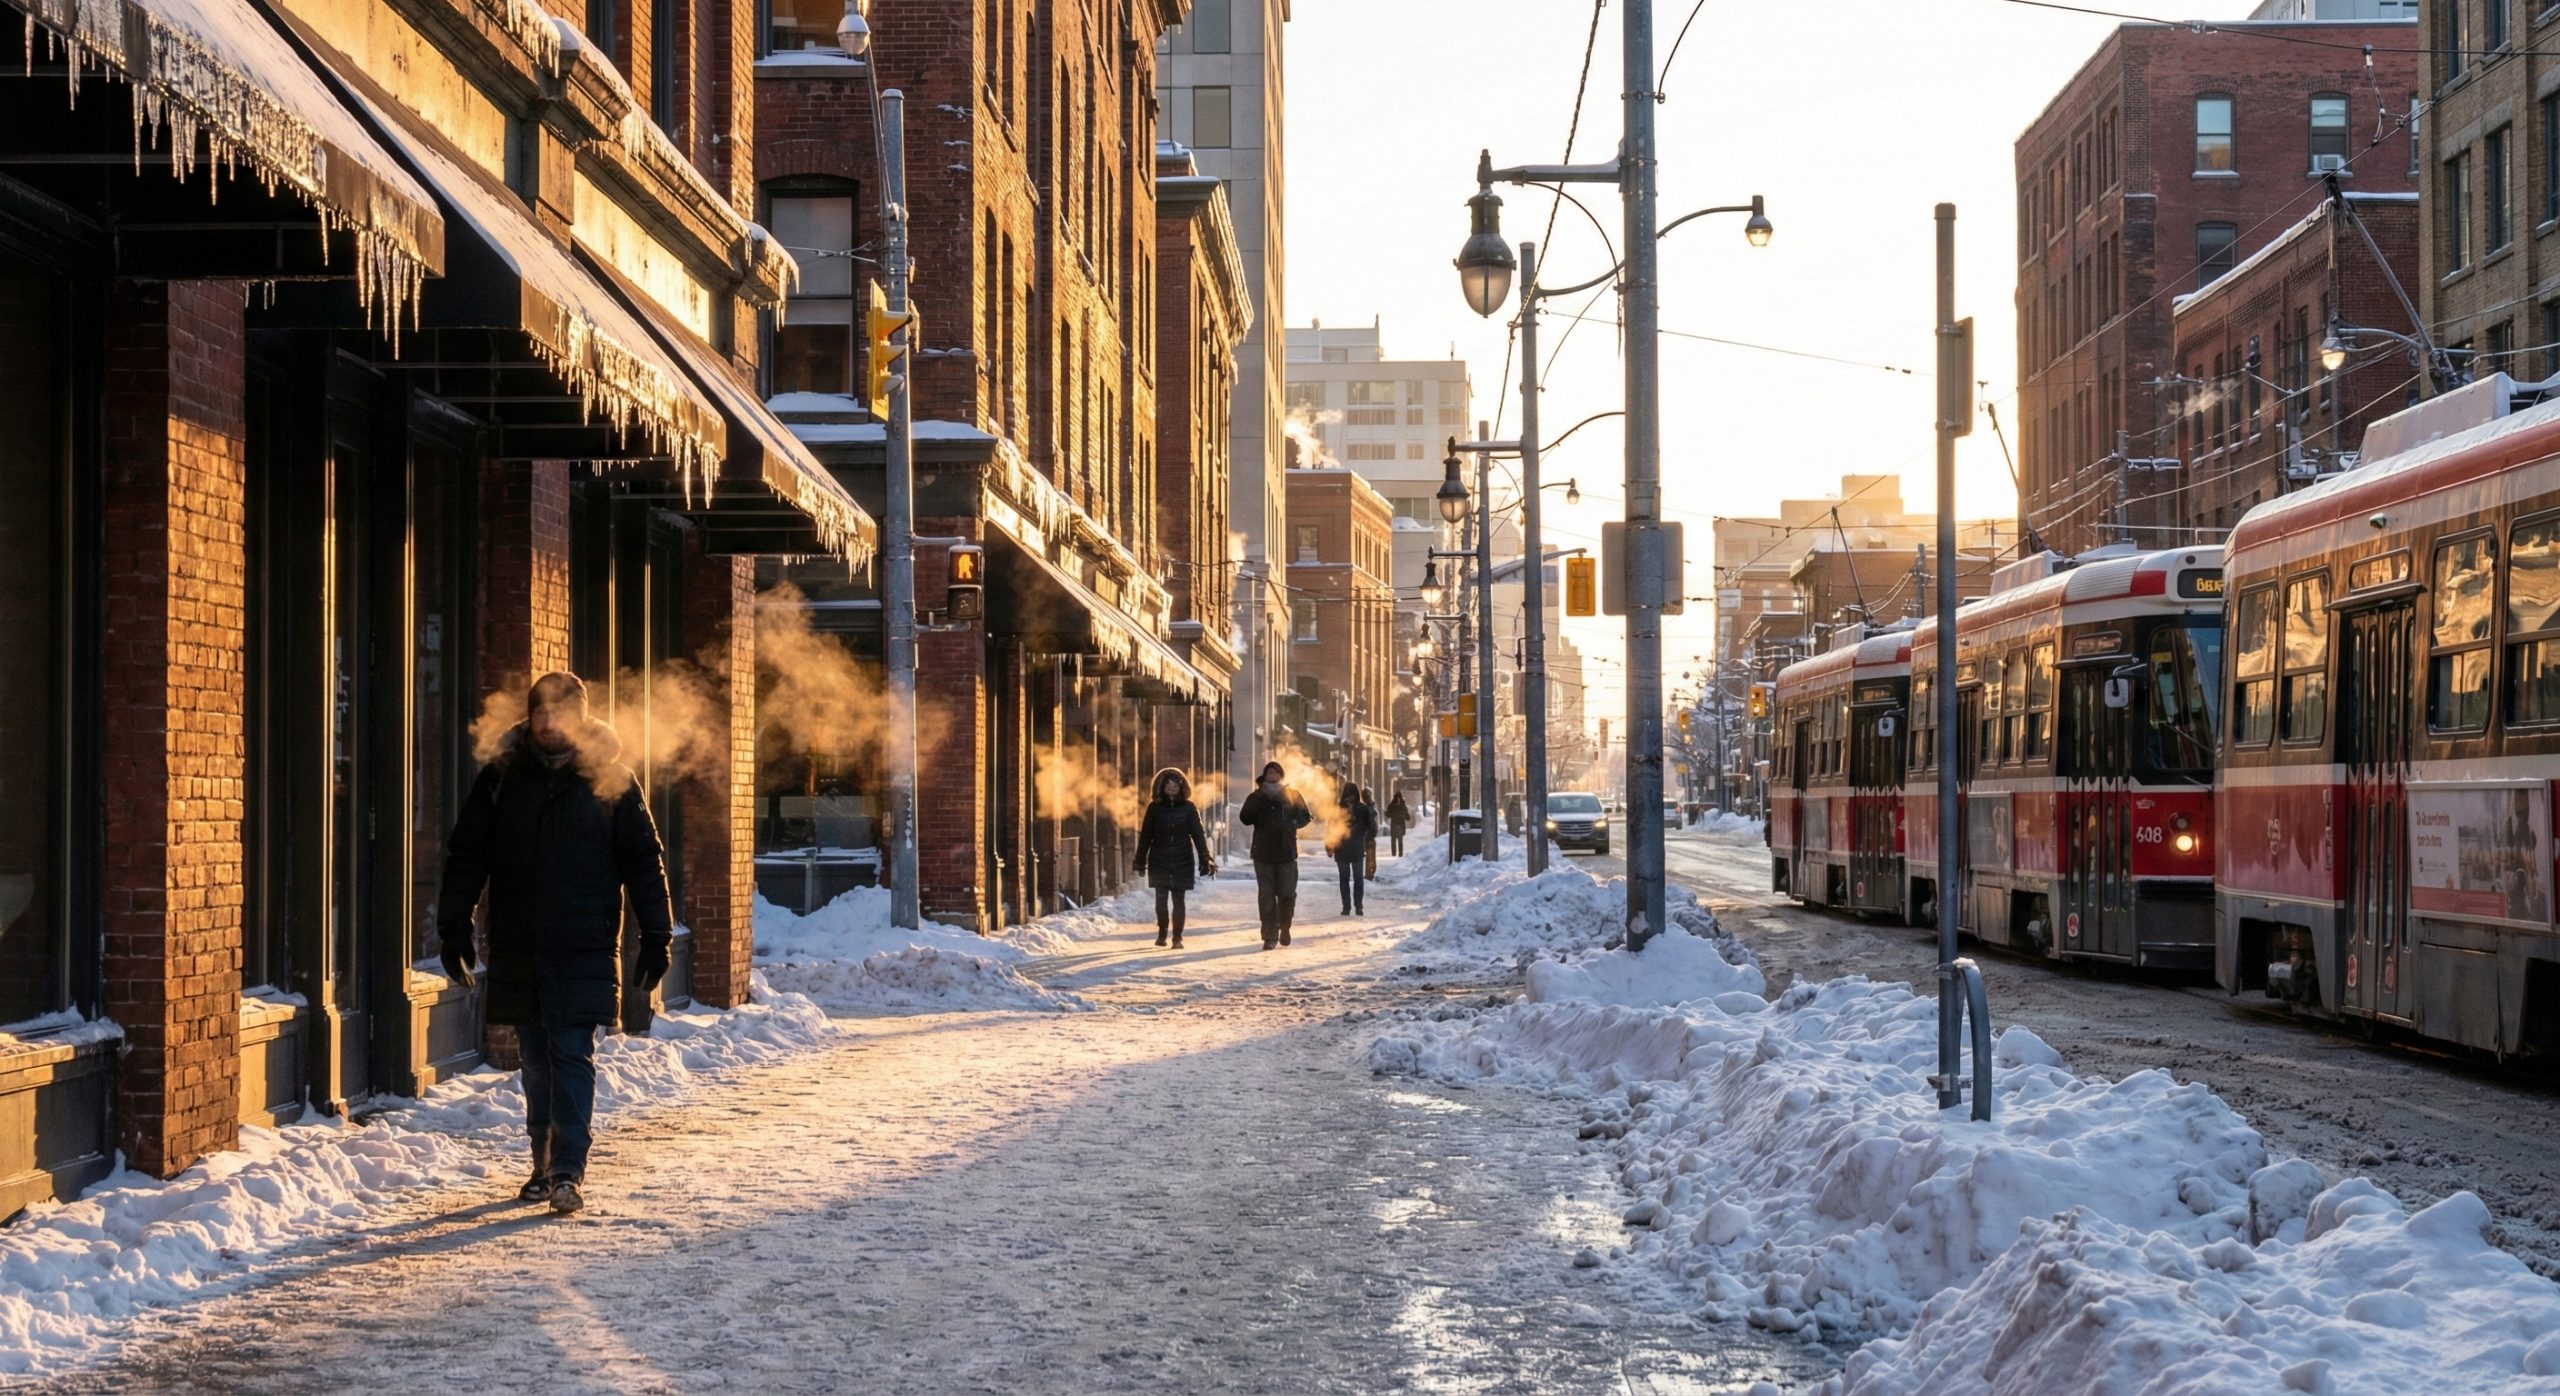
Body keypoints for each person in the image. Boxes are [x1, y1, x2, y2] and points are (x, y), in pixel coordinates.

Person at [437, 672, 674, 1217]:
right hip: (519, 940)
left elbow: (644, 861)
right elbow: (467, 855)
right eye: (540, 713)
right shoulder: (501, 779)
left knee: (571, 1051)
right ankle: (542, 1166)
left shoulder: (611, 781)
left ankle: (568, 1169)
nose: (549, 723)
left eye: (560, 713)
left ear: (581, 718)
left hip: (584, 941)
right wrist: (455, 928)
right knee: (536, 1058)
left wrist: (657, 937)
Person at [1132, 767, 1214, 948]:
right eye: (1168, 785)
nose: (1171, 787)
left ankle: (1177, 937)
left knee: (1179, 901)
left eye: (1175, 785)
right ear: (1161, 787)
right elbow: (1146, 836)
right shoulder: (1154, 809)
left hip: (1183, 859)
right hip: (1158, 859)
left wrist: (1205, 857)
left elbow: (1198, 835)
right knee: (1160, 900)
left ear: (1181, 787)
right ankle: (1162, 931)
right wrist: (1140, 861)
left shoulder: (1189, 808)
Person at [1237, 760, 1311, 949]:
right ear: (1264, 775)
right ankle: (1269, 935)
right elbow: (1245, 818)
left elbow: (1305, 817)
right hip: (1263, 853)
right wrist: (1258, 798)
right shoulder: (1257, 796)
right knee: (1267, 896)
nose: (1272, 774)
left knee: (1287, 894)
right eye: (1269, 772)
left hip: (1286, 853)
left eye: (1275, 771)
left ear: (1281, 775)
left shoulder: (1292, 795)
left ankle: (1285, 926)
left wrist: (1290, 823)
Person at [1331, 782, 1378, 916]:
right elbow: (1369, 827)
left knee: (1351, 879)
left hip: (1349, 847)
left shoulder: (1352, 809)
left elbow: (1368, 827)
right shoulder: (1359, 809)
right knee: (1351, 879)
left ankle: (1353, 906)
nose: (1350, 797)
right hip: (1349, 847)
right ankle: (1352, 906)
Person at [1385, 789, 1412, 858]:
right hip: (1401, 824)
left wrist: (1387, 813)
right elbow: (1407, 816)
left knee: (1393, 840)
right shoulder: (1403, 805)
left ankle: (1393, 853)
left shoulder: (1392, 805)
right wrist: (1407, 817)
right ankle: (1400, 853)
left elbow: (1388, 814)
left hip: (1394, 824)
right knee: (1400, 840)